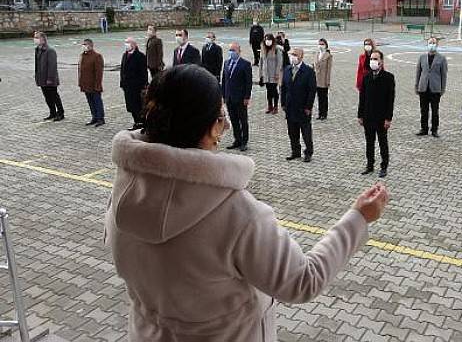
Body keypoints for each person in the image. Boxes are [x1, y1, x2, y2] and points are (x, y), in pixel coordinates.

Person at [105, 63, 389, 342]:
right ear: (211, 129)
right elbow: (303, 281)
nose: (225, 125)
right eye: (220, 117)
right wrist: (357, 219)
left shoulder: (124, 190)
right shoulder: (238, 213)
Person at [358, 50, 395, 178]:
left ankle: (384, 166)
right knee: (369, 142)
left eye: (375, 59)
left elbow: (390, 100)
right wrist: (360, 115)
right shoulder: (366, 76)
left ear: (381, 61)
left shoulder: (388, 78)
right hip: (368, 116)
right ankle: (369, 165)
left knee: (382, 142)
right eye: (371, 59)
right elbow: (362, 97)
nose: (373, 61)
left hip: (381, 117)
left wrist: (388, 118)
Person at [281, 48, 316, 162]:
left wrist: (308, 107)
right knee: (292, 132)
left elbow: (312, 91)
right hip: (290, 107)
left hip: (303, 107)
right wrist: (283, 103)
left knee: (306, 132)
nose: (293, 56)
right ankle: (295, 151)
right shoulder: (287, 69)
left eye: (295, 55)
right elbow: (283, 88)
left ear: (301, 56)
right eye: (292, 54)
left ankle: (308, 152)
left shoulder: (309, 71)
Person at [222, 42, 252, 151]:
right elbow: (224, 80)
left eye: (234, 50)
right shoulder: (226, 63)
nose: (232, 52)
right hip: (229, 97)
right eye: (230, 50)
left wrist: (247, 97)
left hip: (240, 98)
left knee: (243, 120)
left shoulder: (245, 64)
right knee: (234, 120)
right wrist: (224, 95)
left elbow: (248, 82)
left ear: (239, 51)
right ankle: (237, 140)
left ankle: (244, 141)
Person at [415, 37, 448, 137]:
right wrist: (417, 86)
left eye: (434, 43)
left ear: (437, 45)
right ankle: (424, 129)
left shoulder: (442, 58)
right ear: (427, 44)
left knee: (435, 111)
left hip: (435, 88)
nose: (432, 45)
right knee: (423, 110)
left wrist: (442, 89)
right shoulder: (422, 57)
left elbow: (444, 75)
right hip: (423, 87)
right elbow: (418, 72)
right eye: (430, 43)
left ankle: (434, 130)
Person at [34, 31, 64, 121]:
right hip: (41, 78)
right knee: (47, 97)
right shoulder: (37, 49)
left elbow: (52, 66)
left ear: (43, 39)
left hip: (50, 79)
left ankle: (61, 113)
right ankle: (52, 112)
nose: (35, 39)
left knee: (54, 96)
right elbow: (37, 65)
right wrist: (37, 76)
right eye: (35, 37)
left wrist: (50, 79)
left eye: (37, 38)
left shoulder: (50, 51)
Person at [120, 37, 149, 131]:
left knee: (138, 107)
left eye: (128, 42)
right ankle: (136, 122)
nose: (126, 44)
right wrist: (122, 83)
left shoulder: (140, 56)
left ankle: (142, 123)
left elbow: (143, 73)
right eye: (125, 42)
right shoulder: (125, 55)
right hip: (127, 86)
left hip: (137, 87)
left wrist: (142, 86)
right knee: (131, 106)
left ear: (134, 44)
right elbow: (122, 70)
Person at [78, 38, 106, 127]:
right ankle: (94, 116)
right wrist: (80, 82)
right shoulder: (82, 56)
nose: (83, 46)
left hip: (94, 84)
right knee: (90, 101)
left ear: (90, 46)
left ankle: (100, 118)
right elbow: (80, 70)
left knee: (97, 101)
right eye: (83, 45)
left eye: (85, 45)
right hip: (85, 84)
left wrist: (97, 85)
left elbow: (99, 73)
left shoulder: (97, 56)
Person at [259, 33, 284, 114]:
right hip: (266, 74)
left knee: (274, 90)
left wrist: (277, 73)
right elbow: (261, 62)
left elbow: (279, 63)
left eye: (269, 40)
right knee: (268, 91)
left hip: (273, 74)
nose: (268, 41)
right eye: (266, 40)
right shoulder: (263, 49)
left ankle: (276, 106)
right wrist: (260, 75)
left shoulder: (277, 50)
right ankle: (270, 106)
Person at [313, 38, 333, 120]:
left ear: (325, 45)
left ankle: (324, 114)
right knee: (319, 97)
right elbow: (314, 65)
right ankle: (320, 113)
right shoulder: (317, 54)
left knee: (324, 97)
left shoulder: (328, 56)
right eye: (319, 44)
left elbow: (329, 70)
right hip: (317, 79)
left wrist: (327, 81)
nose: (320, 45)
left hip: (324, 79)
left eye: (322, 44)